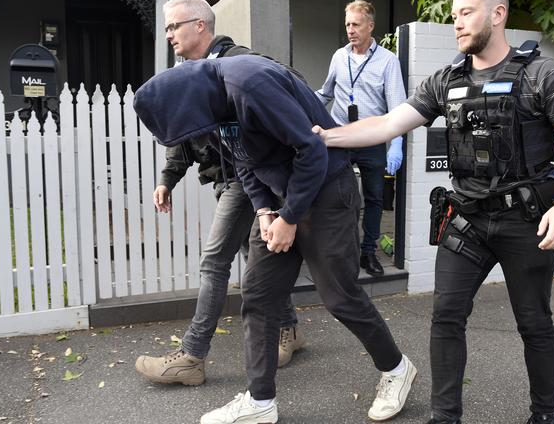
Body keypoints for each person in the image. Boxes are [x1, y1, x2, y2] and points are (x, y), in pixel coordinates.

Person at [312, 0, 554, 424]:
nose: (455, 22)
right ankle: (445, 417)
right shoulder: (446, 79)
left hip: (526, 221)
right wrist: (327, 137)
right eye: (454, 14)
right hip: (468, 221)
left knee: (534, 324)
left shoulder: (543, 74)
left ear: (497, 15)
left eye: (465, 12)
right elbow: (388, 124)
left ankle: (545, 416)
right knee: (445, 316)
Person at [134, 53, 418, 424]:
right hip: (281, 199)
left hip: (327, 189)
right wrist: (267, 212)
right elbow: (242, 163)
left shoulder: (249, 86)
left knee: (339, 296)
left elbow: (312, 149)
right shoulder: (209, 105)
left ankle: (397, 369)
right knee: (259, 294)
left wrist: (290, 216)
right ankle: (260, 401)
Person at [134, 0, 304, 388]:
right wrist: (167, 177)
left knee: (214, 260)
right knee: (253, 255)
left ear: (200, 26)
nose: (168, 34)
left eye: (174, 26)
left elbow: (281, 94)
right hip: (227, 177)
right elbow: (182, 129)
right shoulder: (186, 71)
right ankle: (290, 328)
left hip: (248, 178)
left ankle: (191, 357)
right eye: (166, 28)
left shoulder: (238, 61)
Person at [316, 0, 406, 276]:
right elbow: (325, 93)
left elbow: (398, 109)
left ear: (370, 26)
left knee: (375, 198)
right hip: (342, 135)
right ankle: (343, 252)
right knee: (337, 196)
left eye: (356, 24)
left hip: (372, 138)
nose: (350, 30)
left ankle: (369, 252)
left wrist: (396, 145)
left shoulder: (388, 61)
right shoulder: (338, 57)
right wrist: (303, 105)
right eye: (347, 25)